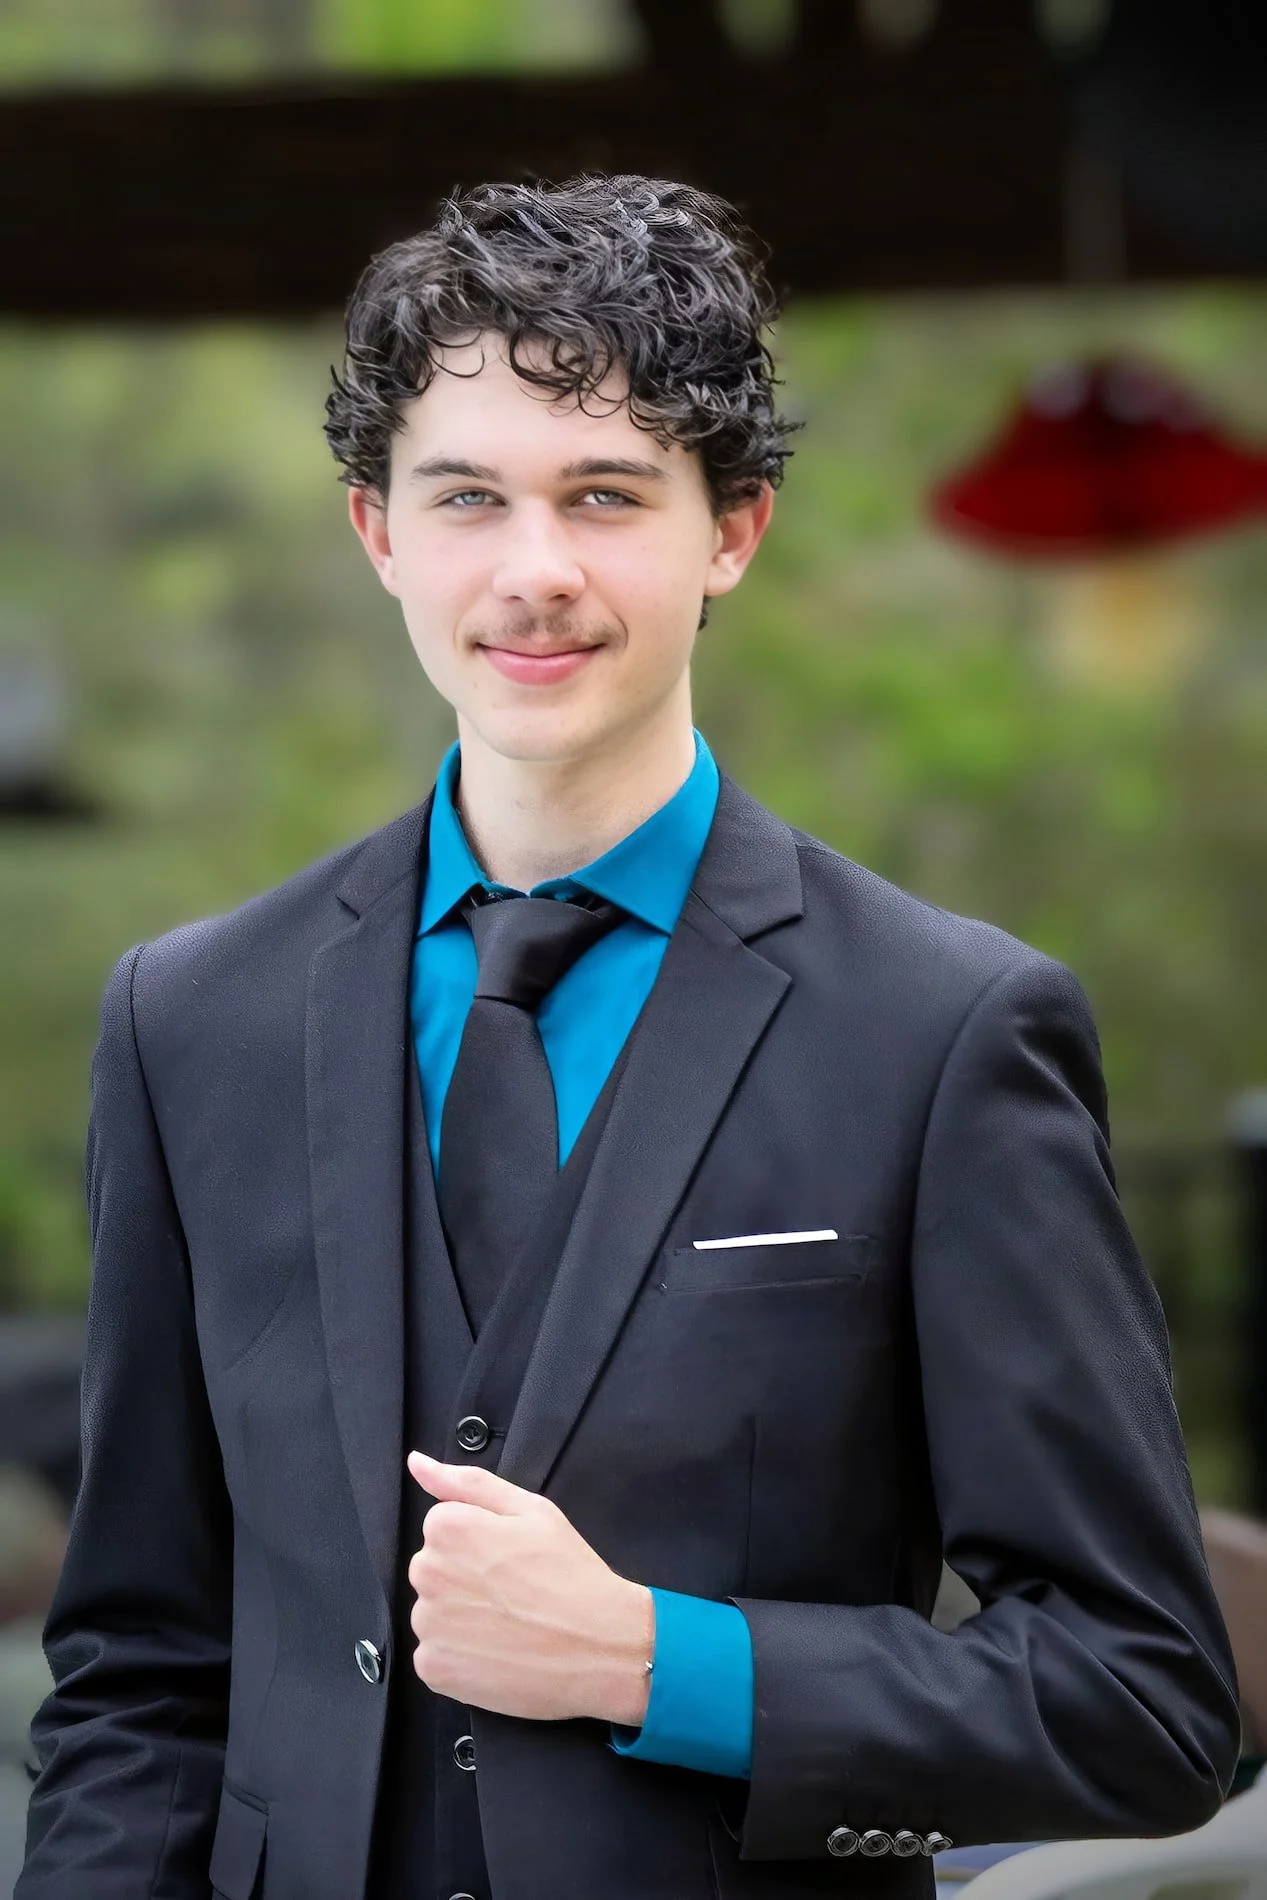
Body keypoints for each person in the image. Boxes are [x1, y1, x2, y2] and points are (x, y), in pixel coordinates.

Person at [17, 175, 1239, 1900]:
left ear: (730, 527)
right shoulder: (189, 1019)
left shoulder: (946, 1028)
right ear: (377, 532)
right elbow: (141, 1678)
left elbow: (1144, 1704)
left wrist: (656, 1664)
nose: (534, 572)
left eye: (604, 495)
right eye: (467, 498)